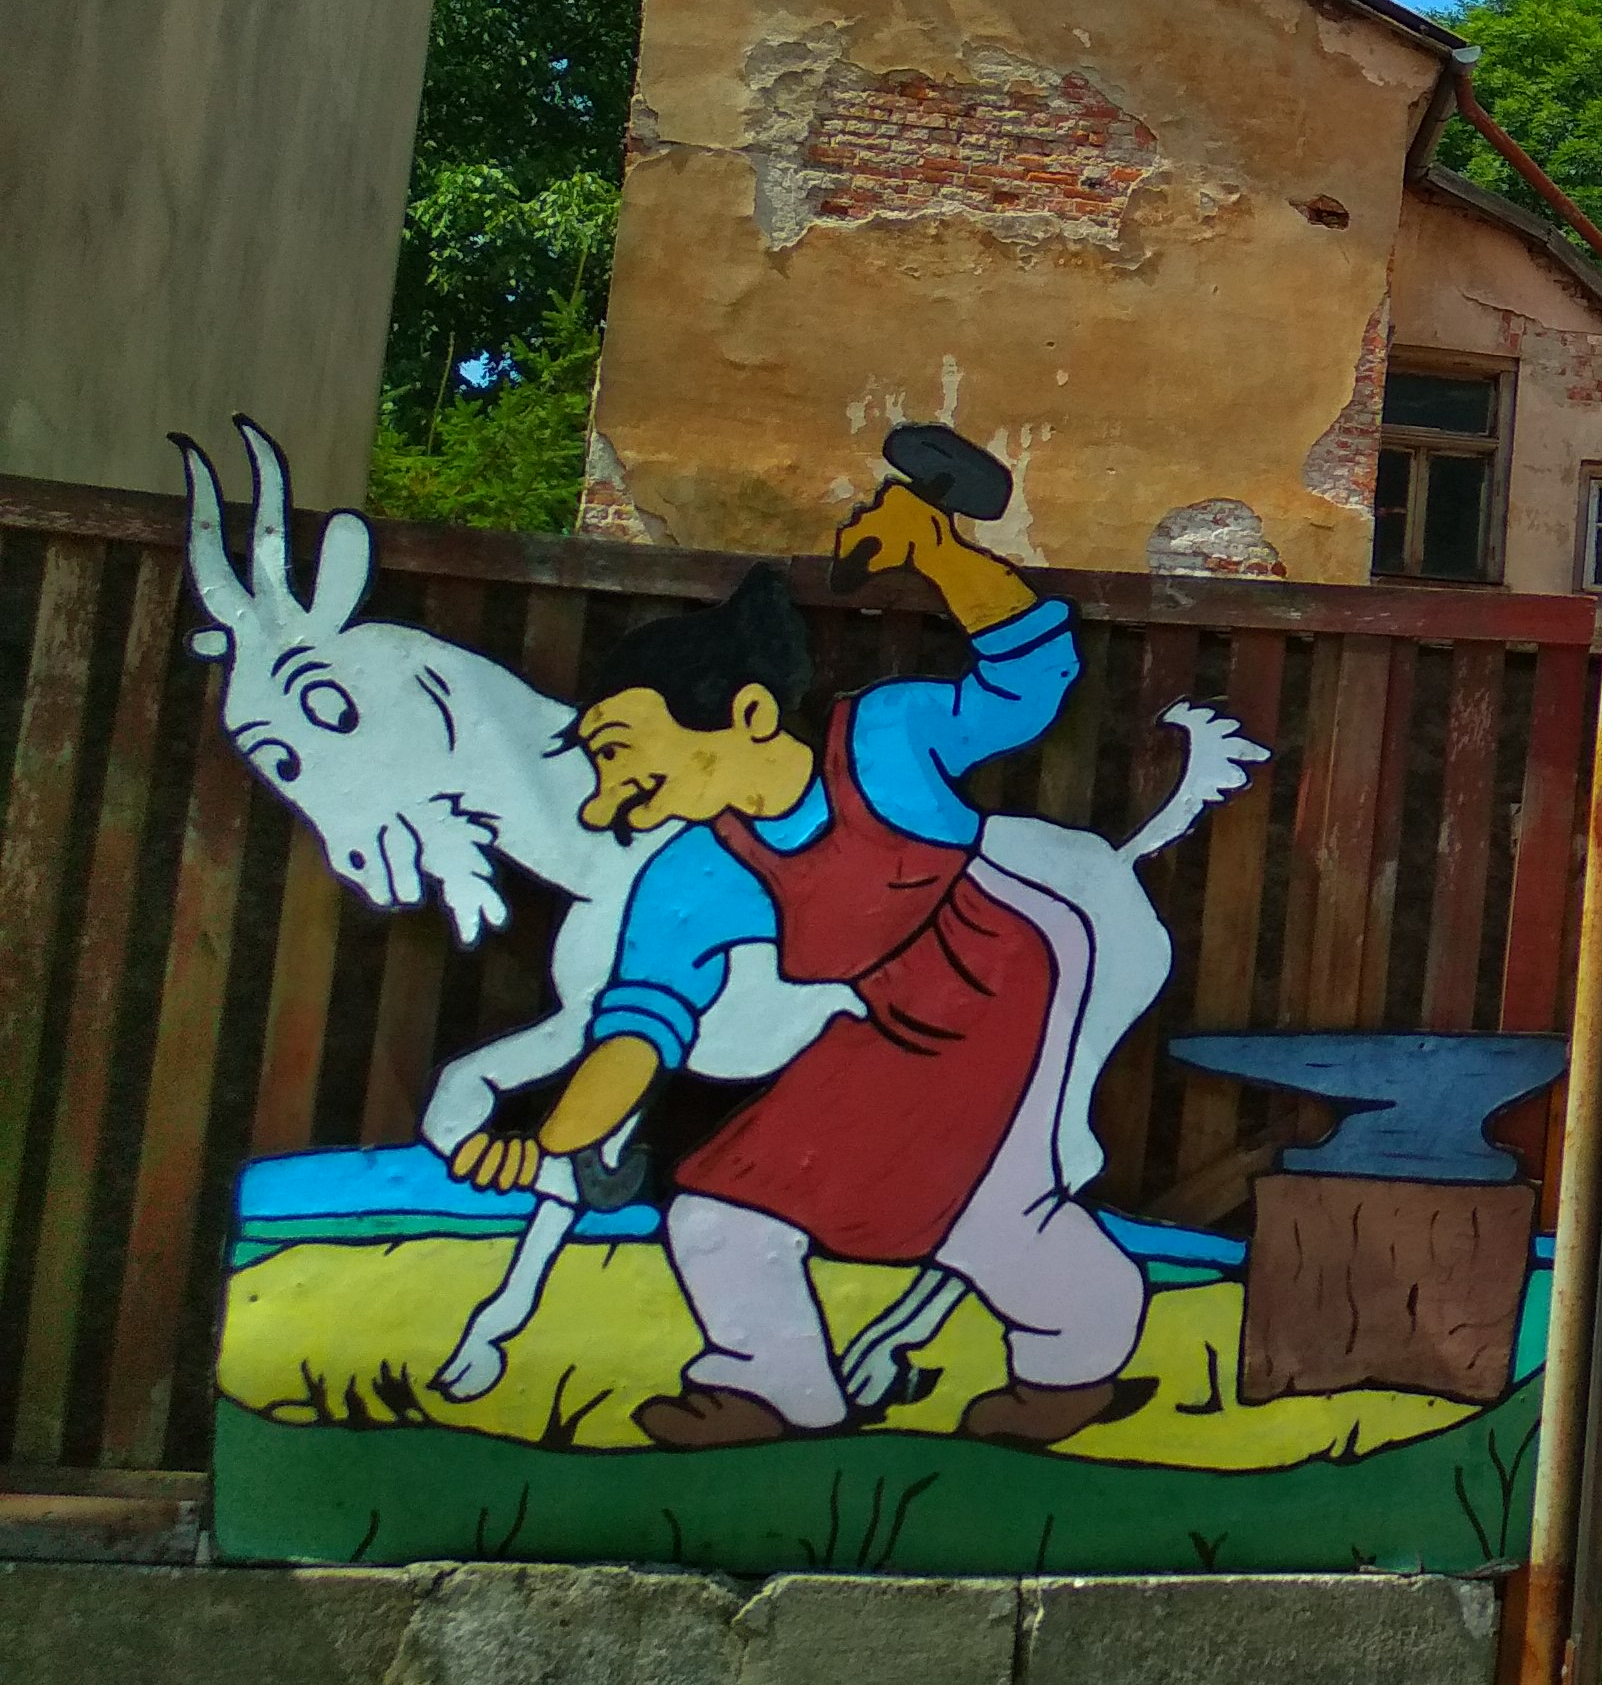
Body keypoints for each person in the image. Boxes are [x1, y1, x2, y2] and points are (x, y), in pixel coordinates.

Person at [449, 484, 1148, 1449]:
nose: (606, 801)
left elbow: (1029, 684)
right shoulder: (695, 876)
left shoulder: (885, 743)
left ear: (746, 712)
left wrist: (940, 555)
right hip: (883, 1022)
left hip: (1007, 987)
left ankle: (1077, 1361)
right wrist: (546, 1139)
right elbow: (638, 1033)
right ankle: (774, 1388)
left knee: (993, 1210)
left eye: (619, 751)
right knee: (721, 1206)